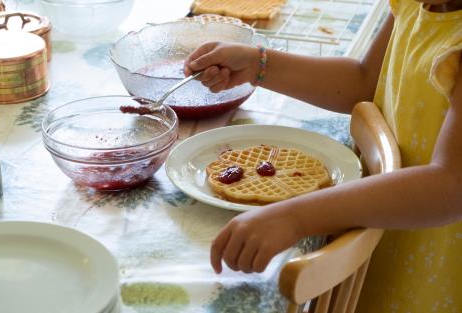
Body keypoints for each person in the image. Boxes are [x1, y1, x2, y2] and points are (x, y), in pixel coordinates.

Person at [183, 0, 462, 311]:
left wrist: (294, 216)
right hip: (379, 232)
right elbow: (365, 81)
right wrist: (258, 65)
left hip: (432, 269)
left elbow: (451, 186)